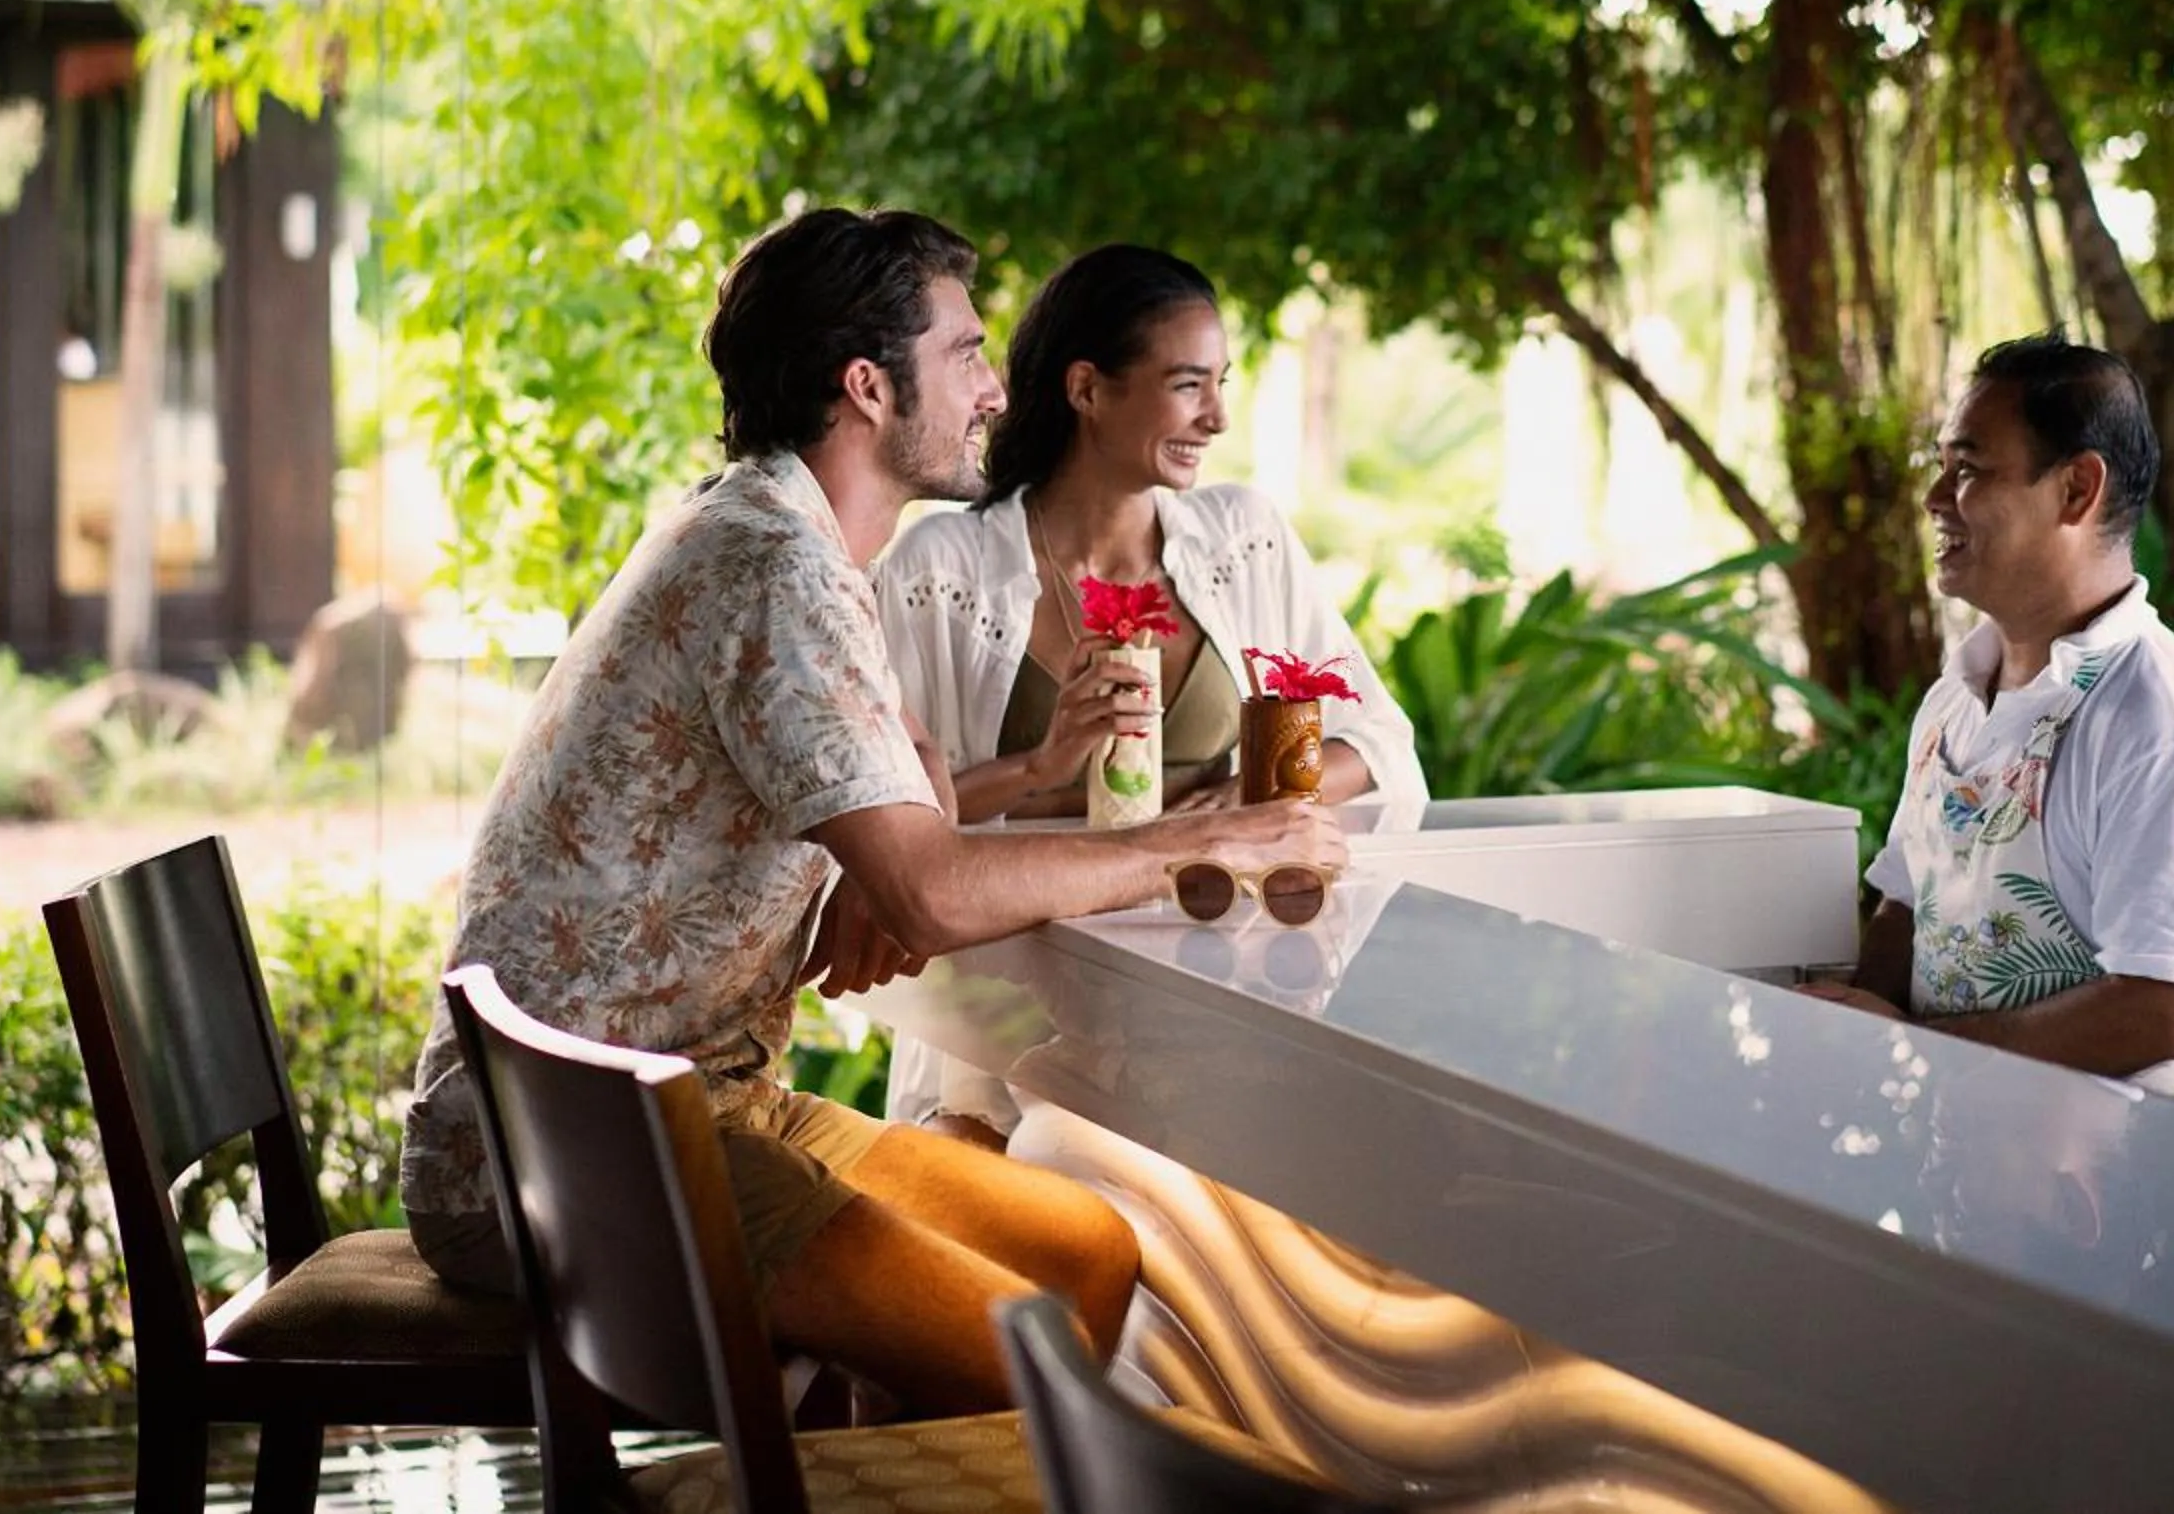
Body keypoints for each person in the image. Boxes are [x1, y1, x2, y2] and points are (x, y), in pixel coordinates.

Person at [397, 208, 1346, 1415]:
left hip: (693, 1105)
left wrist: (907, 849)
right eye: (964, 353)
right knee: (1029, 1367)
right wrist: (1203, 837)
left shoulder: (773, 534)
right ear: (868, 387)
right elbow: (933, 891)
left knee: (1086, 1255)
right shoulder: (773, 566)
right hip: (584, 1155)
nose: (997, 390)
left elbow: (896, 845)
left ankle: (891, 1454)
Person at [874, 243, 1424, 1144]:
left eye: (1221, 384)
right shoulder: (943, 568)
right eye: (1187, 385)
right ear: (1087, 389)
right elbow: (897, 832)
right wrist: (1036, 768)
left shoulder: (1242, 537)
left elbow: (1376, 740)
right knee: (1065, 1168)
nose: (1216, 417)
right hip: (1016, 1012)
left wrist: (1255, 801)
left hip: (1224, 994)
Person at [1798, 333, 2174, 1119]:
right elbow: (1904, 907)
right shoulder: (1954, 696)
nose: (1936, 499)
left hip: (2149, 1185)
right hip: (1983, 1148)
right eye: (1941, 466)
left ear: (2078, 489)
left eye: (1971, 470)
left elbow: (2163, 1008)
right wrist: (1862, 1048)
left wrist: (1916, 1048)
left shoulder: (2158, 716)